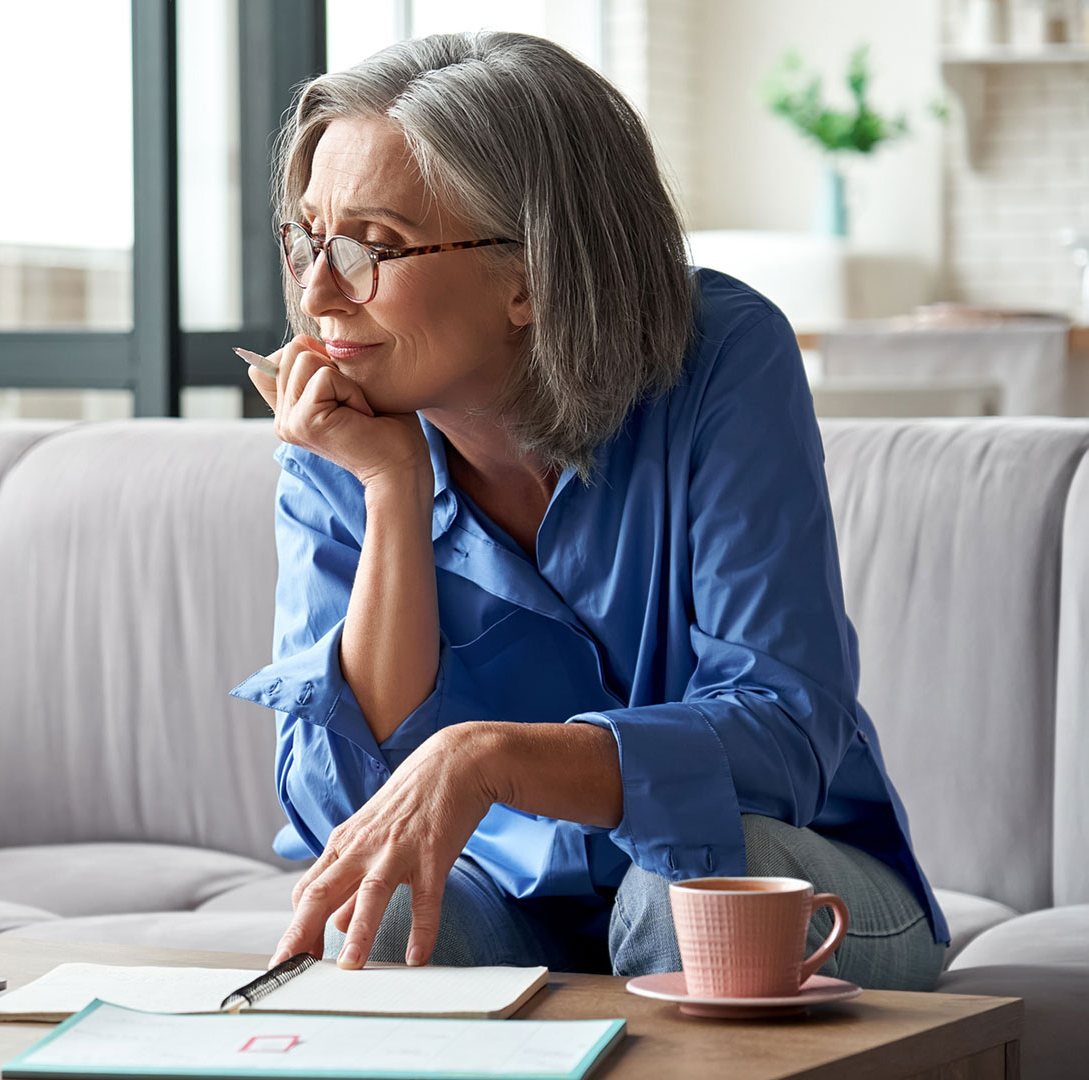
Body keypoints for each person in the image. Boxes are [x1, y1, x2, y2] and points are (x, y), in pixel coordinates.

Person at [226, 31, 948, 990]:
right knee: (386, 913)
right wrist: (392, 492)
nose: (318, 294)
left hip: (787, 874)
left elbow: (784, 733)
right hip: (509, 899)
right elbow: (344, 810)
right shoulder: (344, 425)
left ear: (531, 274)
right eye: (308, 239)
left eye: (373, 247)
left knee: (682, 894)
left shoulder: (725, 359)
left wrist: (491, 759)